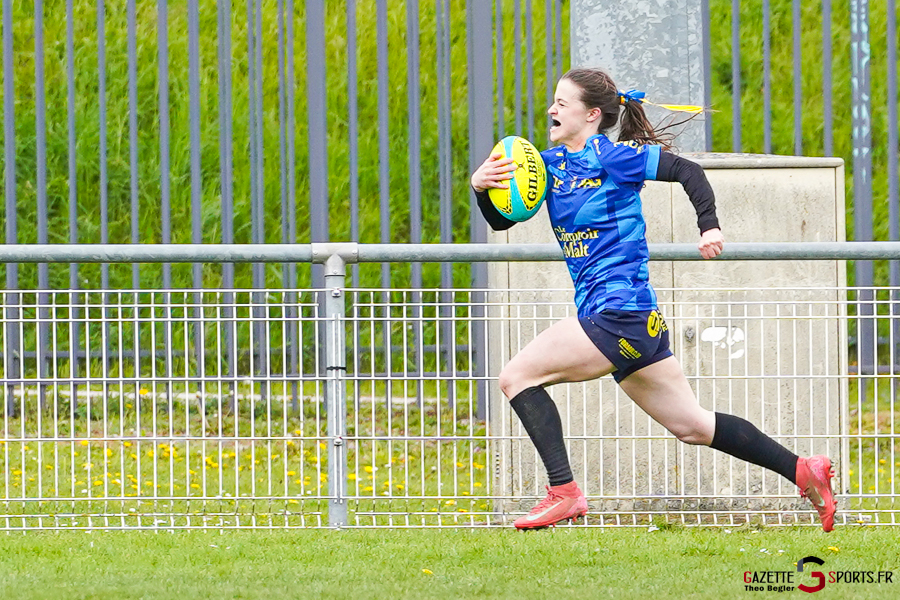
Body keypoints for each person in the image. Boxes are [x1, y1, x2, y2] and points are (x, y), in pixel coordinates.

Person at [470, 67, 836, 531]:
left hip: (620, 311)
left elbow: (687, 170)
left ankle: (564, 492)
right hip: (627, 319)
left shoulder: (615, 157)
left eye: (562, 103)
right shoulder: (547, 166)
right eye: (553, 102)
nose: (551, 110)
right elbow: (503, 222)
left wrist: (709, 226)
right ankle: (803, 470)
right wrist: (482, 188)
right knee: (693, 427)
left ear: (592, 114)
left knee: (516, 376)